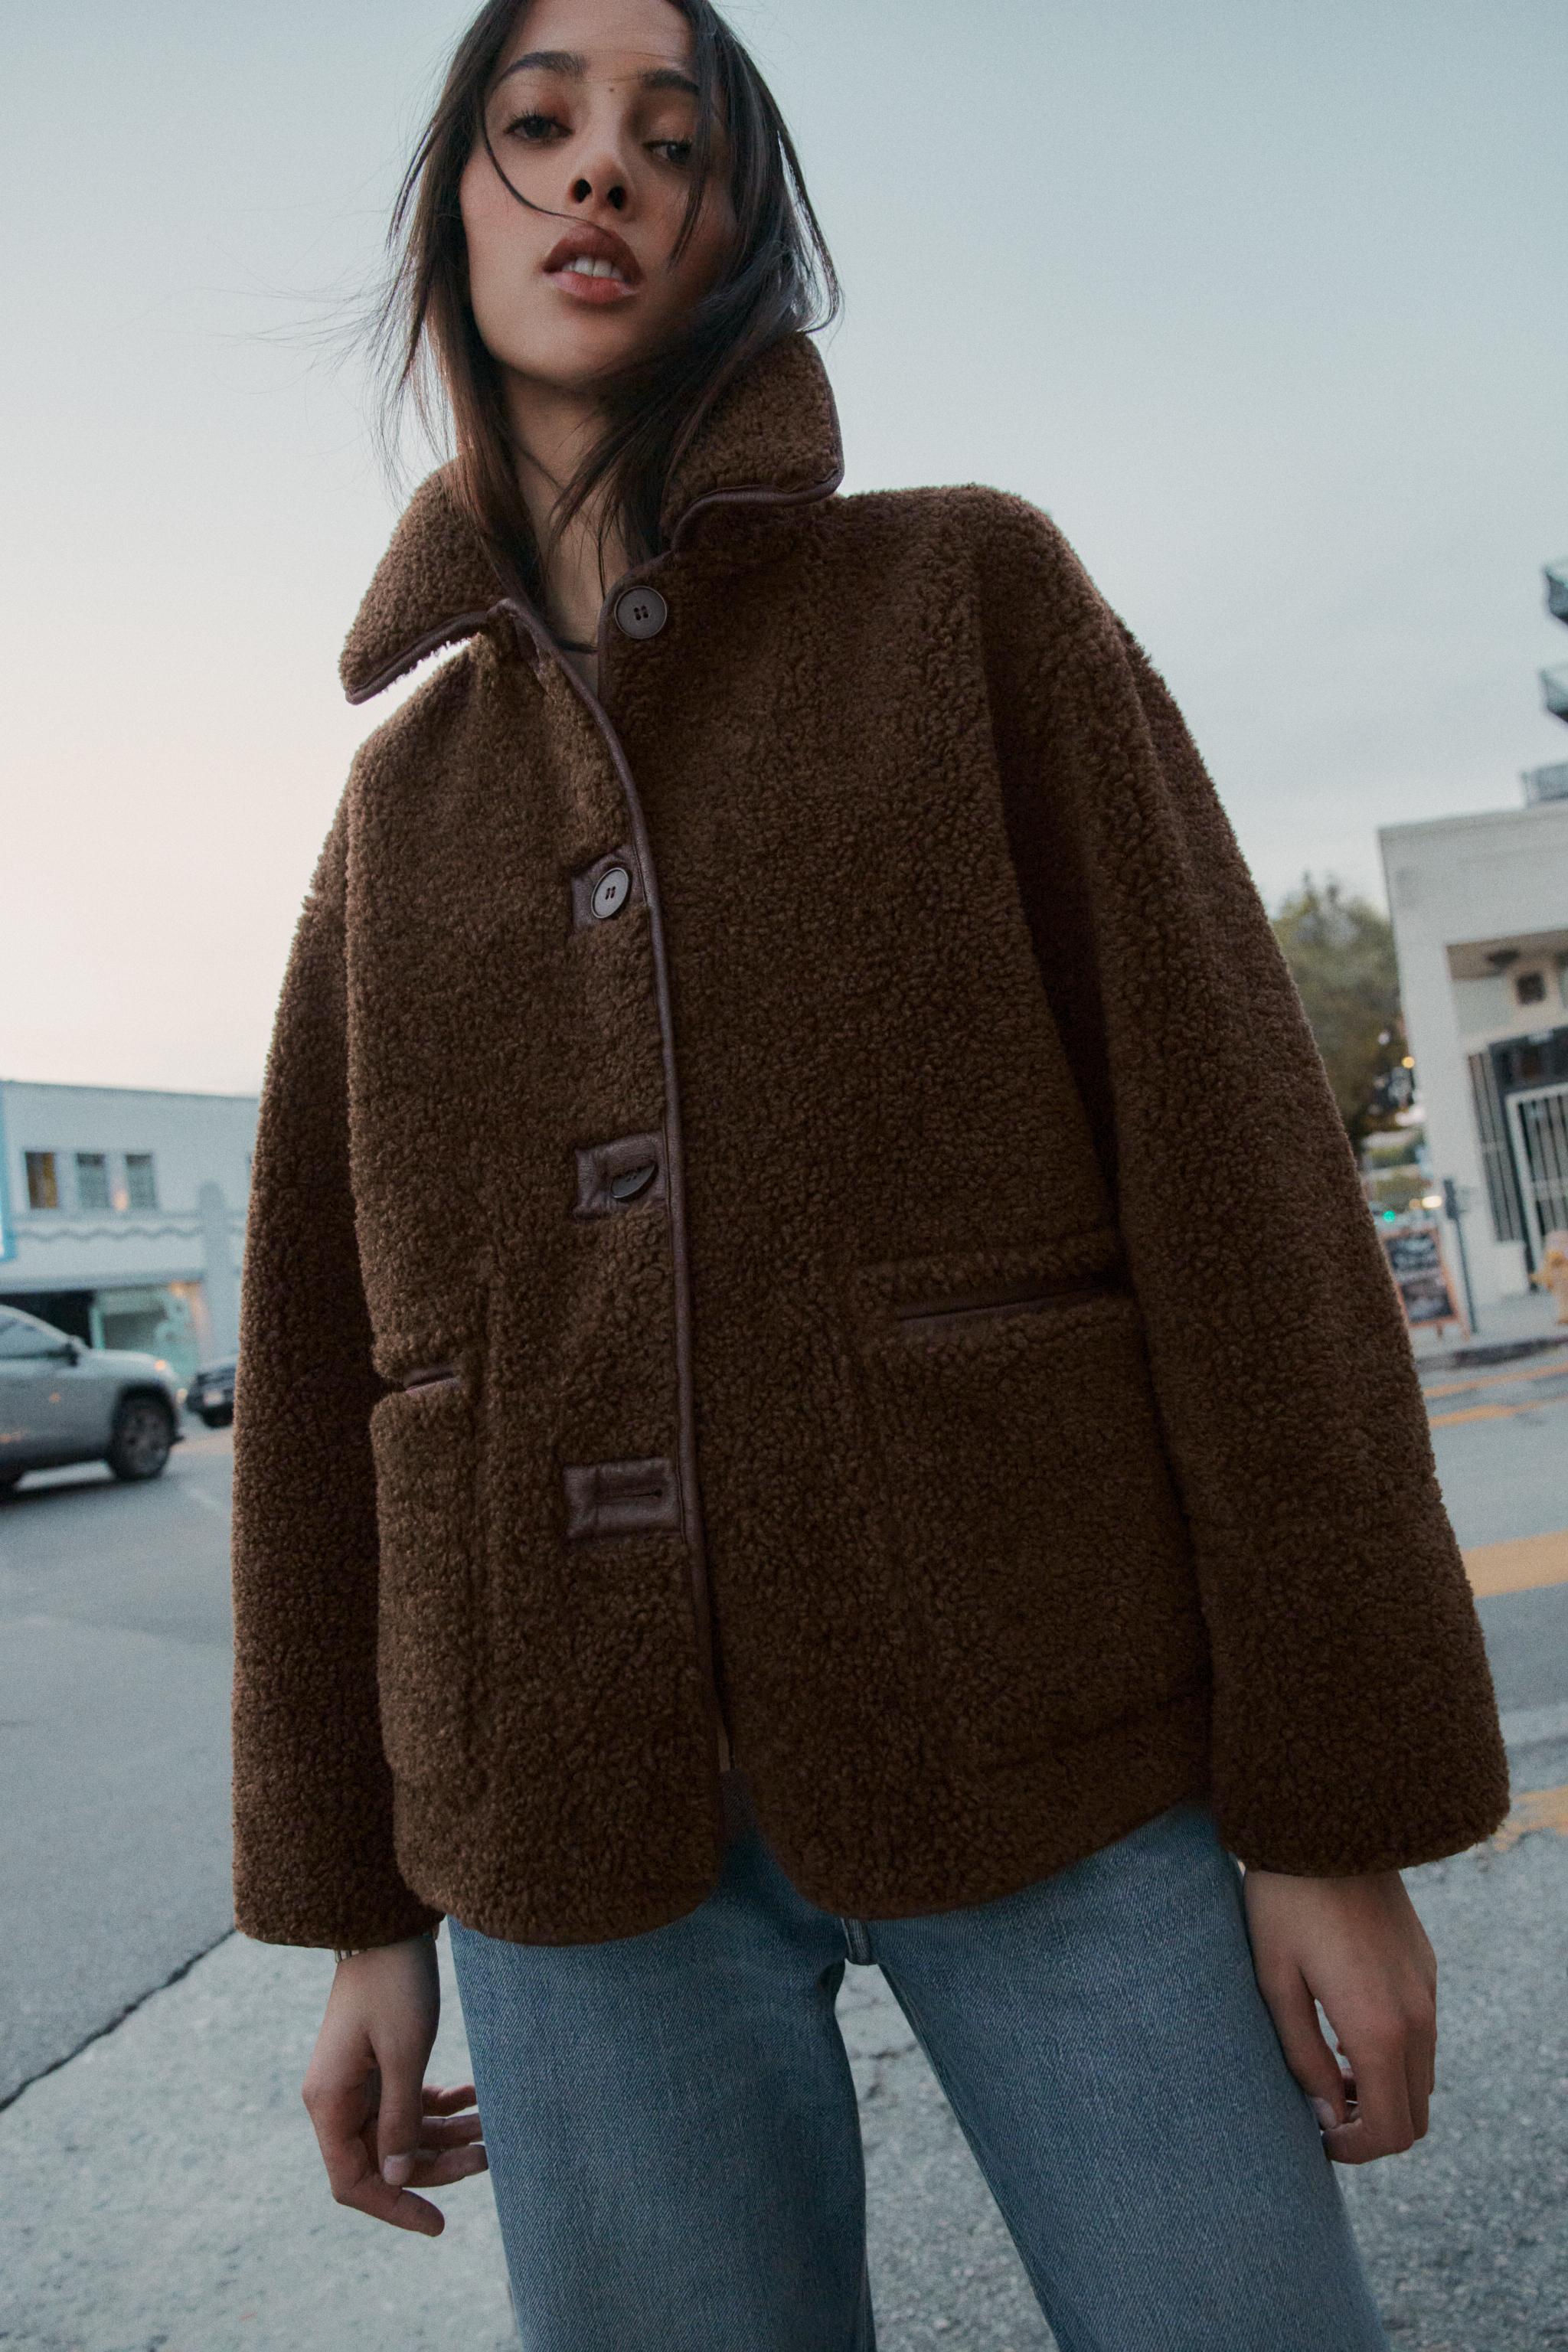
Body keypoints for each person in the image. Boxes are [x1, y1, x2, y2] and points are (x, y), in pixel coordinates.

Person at [227, 2, 1511, 2345]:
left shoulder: (969, 603)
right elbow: (328, 1379)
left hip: (1050, 1742)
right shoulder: (397, 809)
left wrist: (1331, 1813)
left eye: (670, 137)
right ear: (450, 222)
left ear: (738, 231)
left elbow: (1243, 1199)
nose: (600, 172)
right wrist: (360, 1913)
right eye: (537, 125)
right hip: (565, 1832)